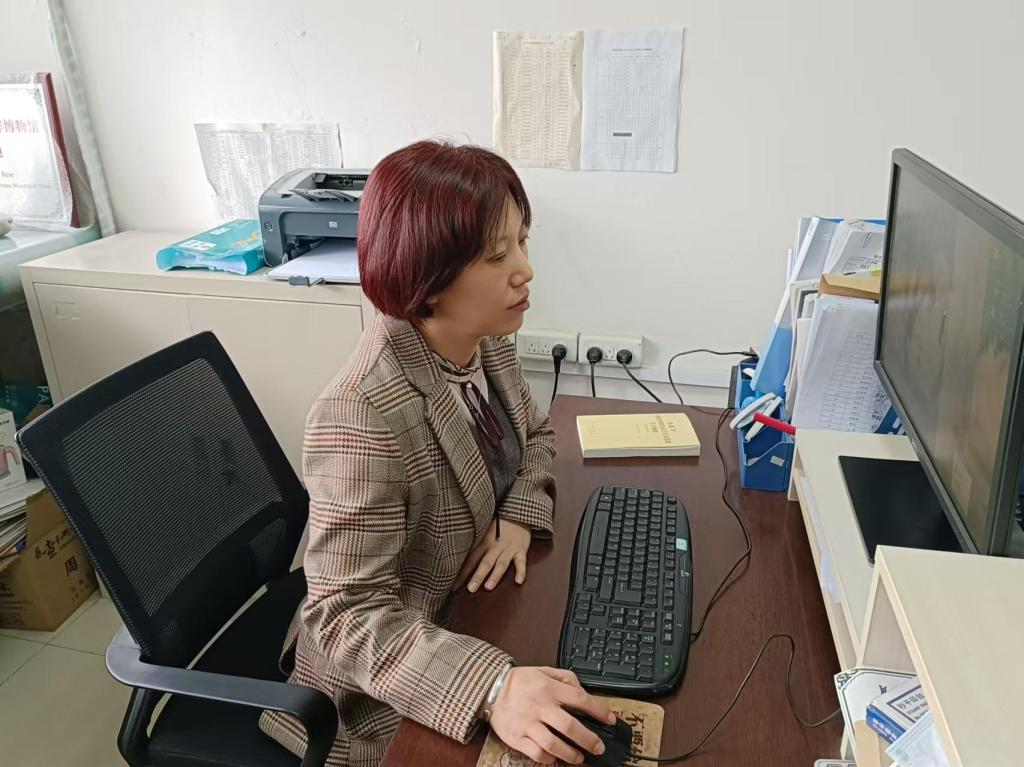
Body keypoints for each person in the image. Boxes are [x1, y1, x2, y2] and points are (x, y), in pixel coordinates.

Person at [259, 139, 614, 766]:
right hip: (389, 685)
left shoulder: (483, 338)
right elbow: (344, 615)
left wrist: (518, 514)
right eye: (497, 255)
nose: (525, 270)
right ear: (428, 281)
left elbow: (536, 436)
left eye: (522, 242)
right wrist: (493, 687)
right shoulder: (363, 415)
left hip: (472, 602)